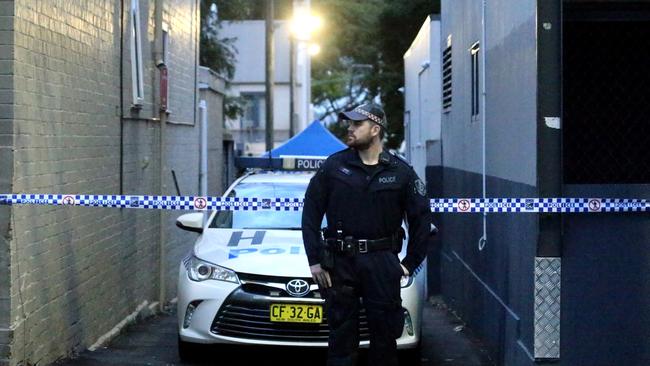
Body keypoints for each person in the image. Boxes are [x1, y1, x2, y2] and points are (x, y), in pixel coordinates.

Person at [301, 102, 436, 366]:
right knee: (341, 342)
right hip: (340, 263)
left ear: (375, 129)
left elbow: (422, 221)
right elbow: (310, 214)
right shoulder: (334, 167)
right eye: (349, 124)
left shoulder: (400, 172)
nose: (349, 129)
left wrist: (409, 264)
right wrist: (315, 260)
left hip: (382, 264)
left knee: (385, 342)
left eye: (356, 124)